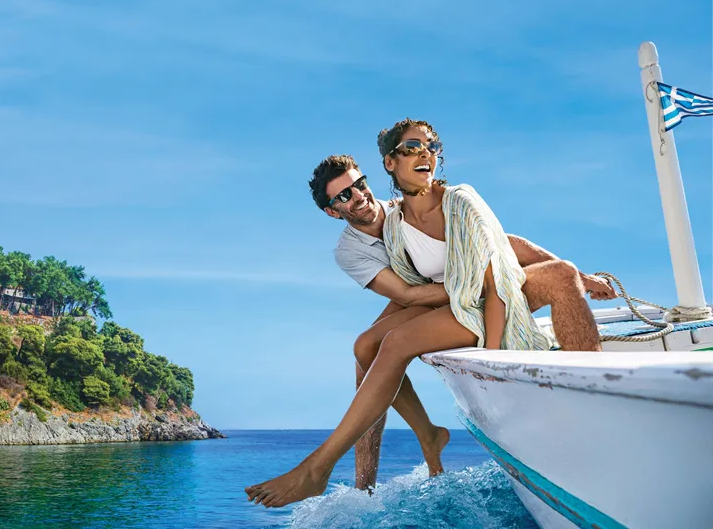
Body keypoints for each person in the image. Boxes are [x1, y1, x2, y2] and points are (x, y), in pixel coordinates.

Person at [249, 119, 612, 508]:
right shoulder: (374, 237)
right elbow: (405, 292)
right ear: (332, 211)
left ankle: (324, 467)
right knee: (366, 348)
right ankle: (368, 481)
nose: (357, 197)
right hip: (440, 295)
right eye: (344, 197)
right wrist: (462, 292)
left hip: (474, 291)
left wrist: (579, 277)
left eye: (358, 185)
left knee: (560, 274)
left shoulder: (429, 204)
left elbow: (500, 244)